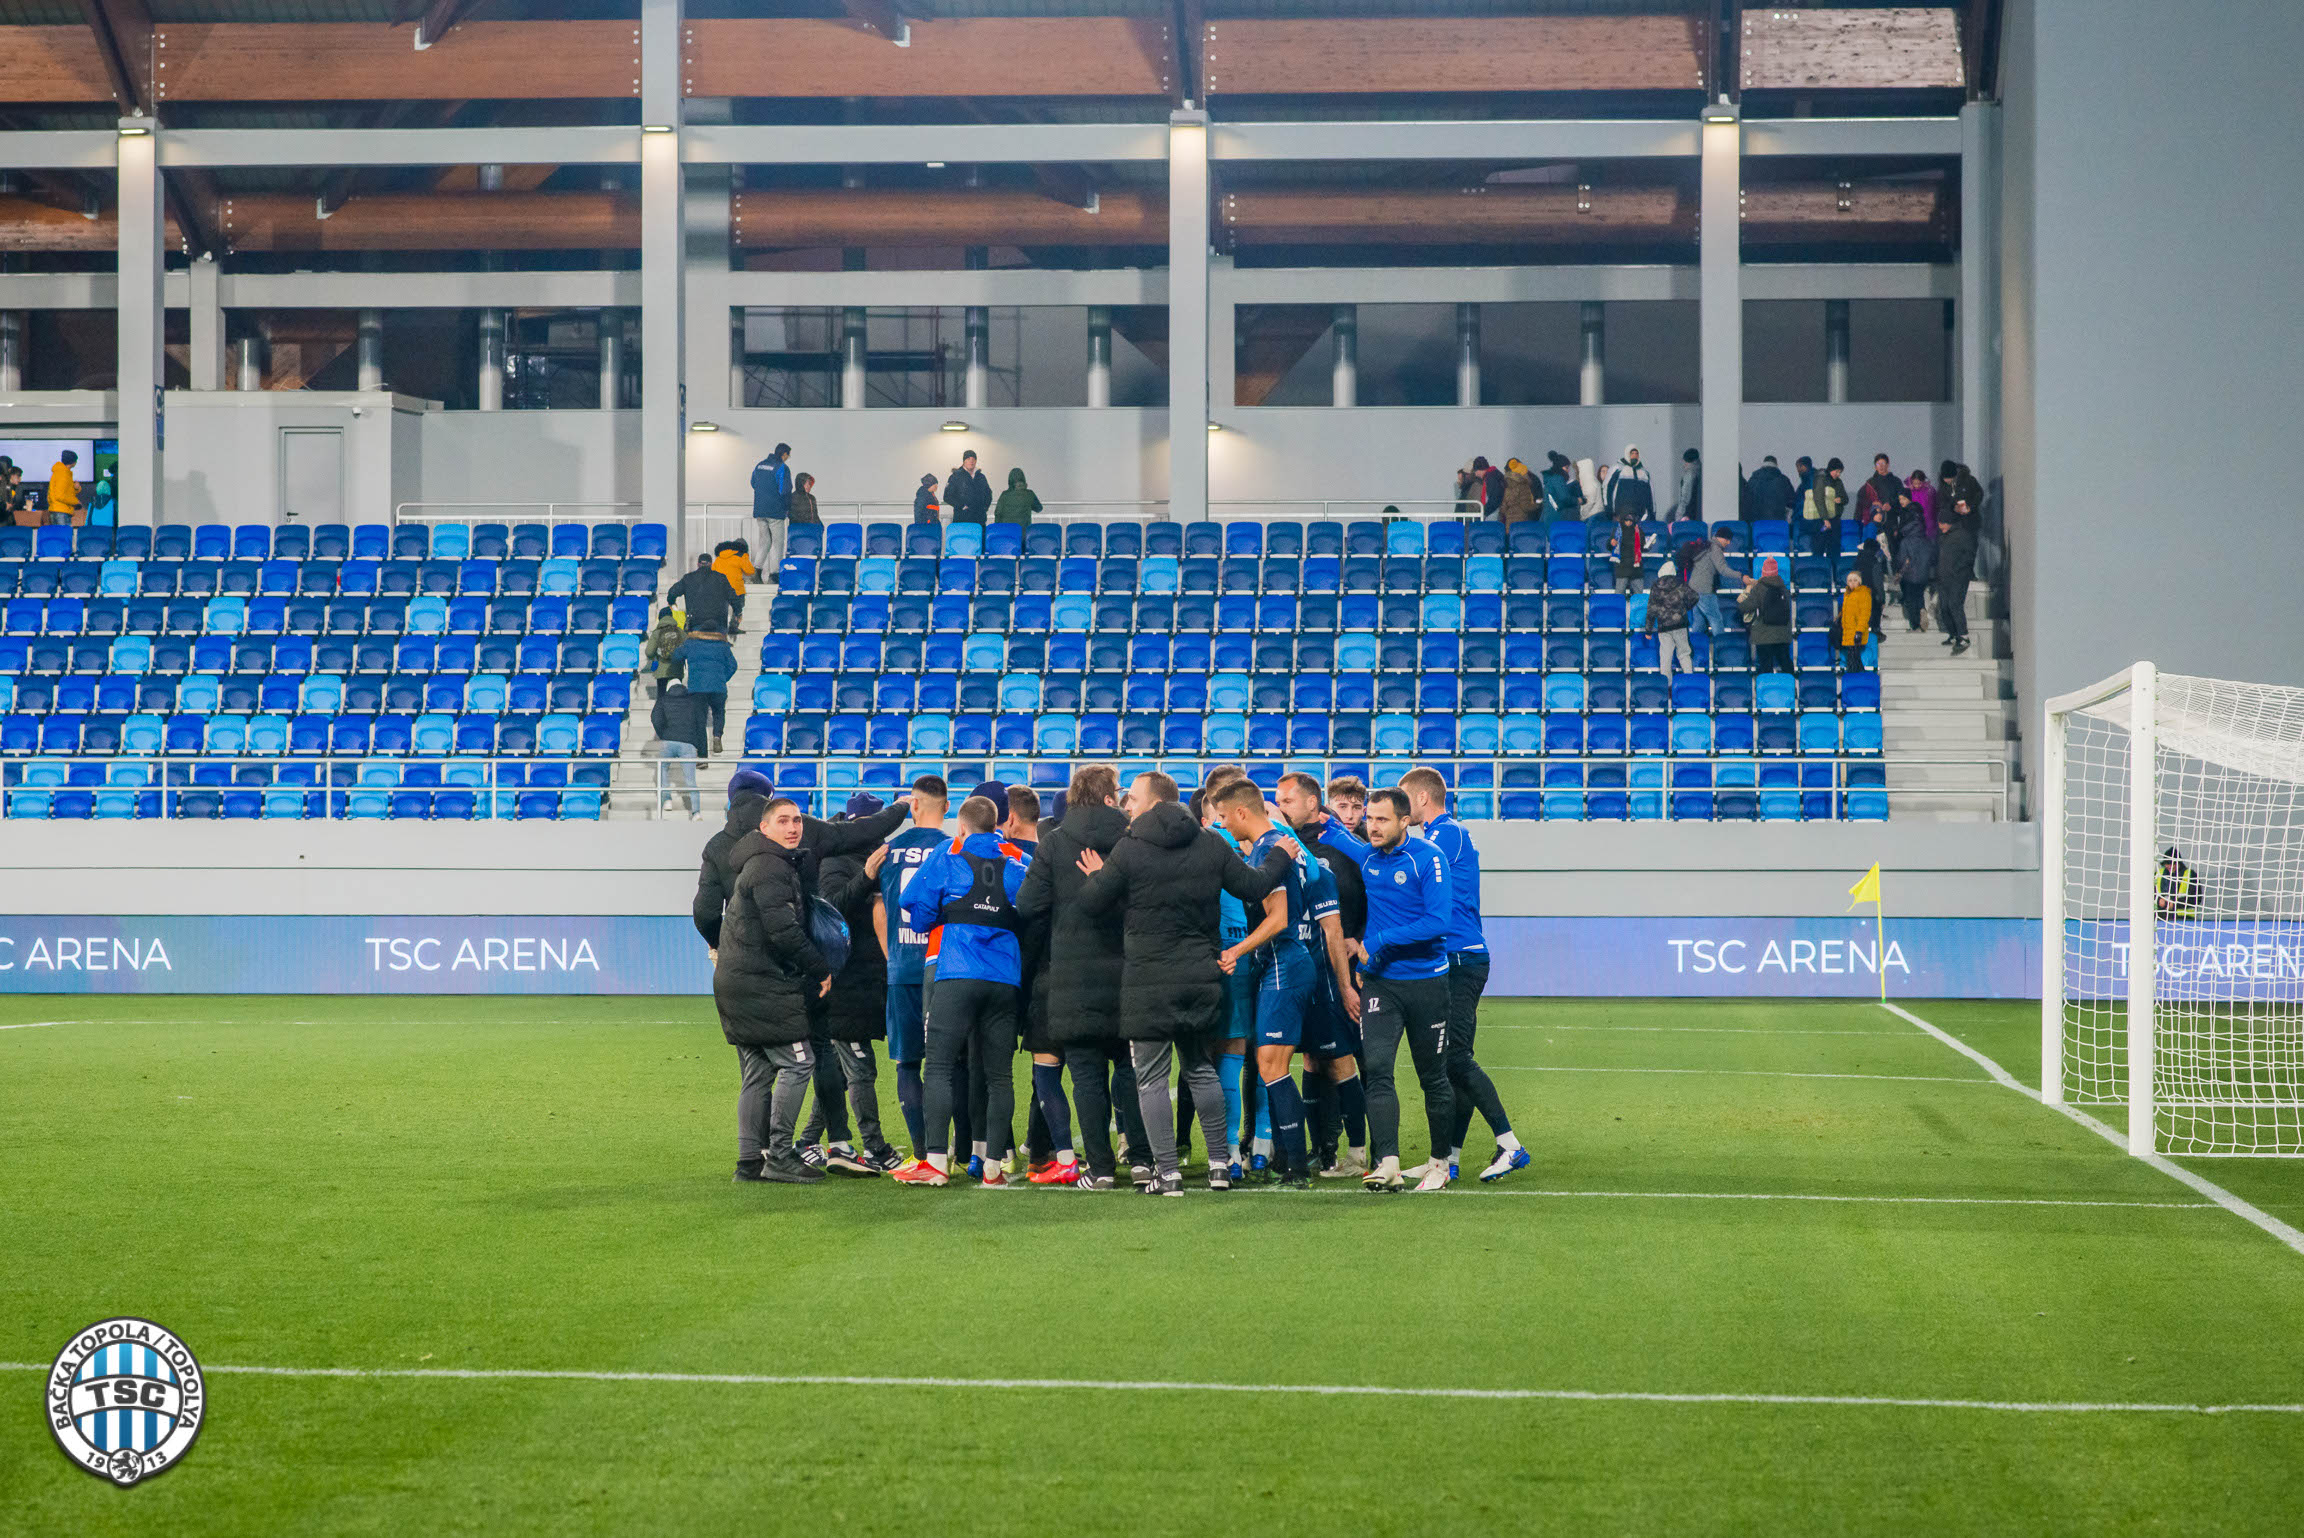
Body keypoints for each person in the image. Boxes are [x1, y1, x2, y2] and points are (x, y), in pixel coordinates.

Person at [1072, 770, 1279, 1196]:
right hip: (1199, 977)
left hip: (1148, 979)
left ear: (1149, 805)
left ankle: (1167, 1173)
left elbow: (1092, 904)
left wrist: (1098, 876)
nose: (1127, 805)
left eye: (1132, 799)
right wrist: (1282, 854)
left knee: (1150, 1077)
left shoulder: (1130, 849)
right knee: (1201, 1069)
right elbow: (1255, 885)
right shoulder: (1211, 843)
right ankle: (1221, 1164)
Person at [1016, 762, 1145, 1192]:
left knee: (1087, 1074)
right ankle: (1143, 1159)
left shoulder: (1054, 844)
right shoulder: (1133, 840)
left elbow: (1028, 904)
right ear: (1110, 797)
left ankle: (1102, 1169)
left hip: (1071, 974)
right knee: (1131, 1069)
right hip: (1129, 974)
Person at [893, 795, 1032, 1187]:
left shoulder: (948, 856)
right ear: (998, 827)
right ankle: (993, 1168)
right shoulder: (1016, 864)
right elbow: (1036, 905)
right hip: (1004, 979)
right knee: (999, 1077)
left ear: (962, 828)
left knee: (938, 1066)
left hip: (956, 972)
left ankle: (936, 1164)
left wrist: (936, 917)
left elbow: (911, 901)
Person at [1320, 789, 1455, 1194]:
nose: (1372, 827)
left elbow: (1438, 921)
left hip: (1427, 982)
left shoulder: (1429, 857)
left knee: (1433, 1077)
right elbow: (1325, 827)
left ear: (1404, 821)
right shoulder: (1367, 855)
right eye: (1370, 819)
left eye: (1381, 820)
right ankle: (1389, 1162)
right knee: (1377, 1069)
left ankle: (1439, 1162)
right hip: (1380, 984)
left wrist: (1379, 941)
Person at [1401, 768, 1529, 1184]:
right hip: (1459, 956)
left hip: (1460, 958)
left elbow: (1414, 872)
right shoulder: (1444, 835)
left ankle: (1510, 1144)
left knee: (1455, 1058)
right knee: (1455, 1061)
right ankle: (1450, 1157)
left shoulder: (1446, 834)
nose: (1402, 811)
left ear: (1422, 799)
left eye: (1405, 801)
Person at [1209, 778, 1325, 1190]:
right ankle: (1289, 1161)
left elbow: (1278, 919)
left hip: (1283, 965)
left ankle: (1296, 1166)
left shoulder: (1268, 849)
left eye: (1224, 816)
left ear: (1242, 812)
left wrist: (1237, 951)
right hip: (1288, 964)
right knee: (1270, 1066)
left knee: (1272, 1067)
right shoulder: (1279, 843)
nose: (1222, 825)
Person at [718, 798, 836, 1185]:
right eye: (783, 821)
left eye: (797, 820)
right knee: (799, 1062)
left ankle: (749, 1162)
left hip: (737, 980)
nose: (792, 827)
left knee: (757, 1072)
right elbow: (783, 931)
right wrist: (820, 967)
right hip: (761, 982)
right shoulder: (770, 866)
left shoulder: (760, 862)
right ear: (764, 828)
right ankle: (781, 1156)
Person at [796, 795, 906, 1177]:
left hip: (864, 982)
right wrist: (867, 877)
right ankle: (875, 1148)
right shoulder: (835, 860)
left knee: (842, 1072)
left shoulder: (862, 858)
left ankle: (807, 1141)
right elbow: (831, 910)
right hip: (842, 983)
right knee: (860, 1070)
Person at [1274, 773, 1370, 1177]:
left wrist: (1362, 947)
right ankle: (1324, 1150)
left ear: (1313, 803)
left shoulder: (1345, 848)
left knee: (1346, 1060)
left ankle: (1362, 1151)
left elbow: (1371, 900)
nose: (1281, 807)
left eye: (1288, 801)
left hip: (1336, 972)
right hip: (1301, 968)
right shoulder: (1286, 846)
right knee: (1312, 1059)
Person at [874, 776, 954, 1162]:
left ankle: (923, 1153)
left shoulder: (889, 850)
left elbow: (879, 909)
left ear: (913, 805)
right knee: (952, 1063)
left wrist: (892, 955)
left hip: (903, 966)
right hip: (944, 969)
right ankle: (962, 1150)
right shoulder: (954, 848)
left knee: (908, 1061)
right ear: (947, 805)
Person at [670, 626, 736, 758]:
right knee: (719, 712)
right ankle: (717, 735)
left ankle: (702, 757)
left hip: (698, 688)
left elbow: (675, 656)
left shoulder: (691, 643)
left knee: (700, 723)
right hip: (718, 686)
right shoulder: (722, 645)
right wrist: (723, 678)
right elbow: (733, 665)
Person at [649, 680, 708, 816]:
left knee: (663, 769)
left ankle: (667, 799)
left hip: (668, 741)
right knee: (690, 780)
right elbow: (701, 726)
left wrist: (663, 733)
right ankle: (696, 813)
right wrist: (703, 752)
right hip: (688, 743)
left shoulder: (663, 700)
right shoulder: (693, 701)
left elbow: (655, 718)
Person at [1937, 495, 1978, 656]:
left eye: (1942, 523)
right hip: (1944, 578)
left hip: (1958, 578)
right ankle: (1954, 634)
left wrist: (1958, 570)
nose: (1940, 526)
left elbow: (1969, 556)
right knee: (1945, 607)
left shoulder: (1963, 535)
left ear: (1949, 522)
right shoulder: (1943, 537)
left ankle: (1963, 636)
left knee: (1955, 605)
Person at [1684, 527, 1745, 636]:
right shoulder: (1715, 549)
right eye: (1728, 540)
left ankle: (1696, 648)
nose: (1729, 543)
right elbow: (1723, 570)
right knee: (1716, 619)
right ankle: (1720, 644)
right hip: (1704, 590)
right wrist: (1741, 576)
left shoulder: (1705, 545)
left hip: (1693, 588)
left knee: (1699, 622)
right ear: (1722, 538)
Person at [1740, 556, 1794, 675]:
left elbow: (1746, 607)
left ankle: (1766, 690)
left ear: (1763, 572)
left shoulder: (1759, 588)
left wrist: (1741, 601)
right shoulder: (1784, 588)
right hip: (1783, 634)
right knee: (1785, 663)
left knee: (1765, 666)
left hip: (1764, 635)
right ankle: (1793, 685)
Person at [1646, 560, 1697, 681]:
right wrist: (1686, 607)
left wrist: (1648, 630)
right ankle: (1689, 681)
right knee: (1684, 654)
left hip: (1664, 626)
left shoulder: (1656, 586)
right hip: (1680, 624)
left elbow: (1651, 609)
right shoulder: (1681, 583)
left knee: (1665, 657)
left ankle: (1667, 686)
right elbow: (1695, 596)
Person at [750, 442, 792, 572]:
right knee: (777, 544)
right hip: (775, 512)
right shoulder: (782, 468)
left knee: (764, 542)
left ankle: (756, 571)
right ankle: (774, 574)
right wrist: (786, 509)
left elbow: (753, 483)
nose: (787, 458)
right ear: (784, 454)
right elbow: (785, 490)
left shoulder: (759, 466)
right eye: (788, 456)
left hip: (760, 511)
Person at [667, 555, 734, 635]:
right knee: (718, 646)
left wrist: (672, 603)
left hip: (696, 623)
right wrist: (737, 612)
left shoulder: (688, 578)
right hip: (718, 623)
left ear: (698, 564)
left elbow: (672, 592)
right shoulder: (721, 578)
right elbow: (734, 597)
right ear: (711, 564)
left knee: (697, 645)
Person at [1894, 507, 1936, 631]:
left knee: (1910, 600)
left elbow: (1901, 559)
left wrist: (1899, 570)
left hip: (1910, 575)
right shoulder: (1926, 540)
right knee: (1919, 595)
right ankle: (1922, 608)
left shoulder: (1906, 541)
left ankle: (1916, 625)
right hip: (1924, 574)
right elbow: (1933, 557)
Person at [709, 541, 756, 635]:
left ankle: (720, 629)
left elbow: (712, 571)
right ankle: (734, 627)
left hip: (720, 589)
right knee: (737, 610)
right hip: (736, 589)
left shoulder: (719, 558)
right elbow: (750, 571)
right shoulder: (741, 556)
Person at [1810, 458, 1850, 557]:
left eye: (1840, 472)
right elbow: (1819, 500)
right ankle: (1819, 570)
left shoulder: (1839, 482)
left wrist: (1841, 500)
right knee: (1819, 548)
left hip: (1835, 520)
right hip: (1821, 520)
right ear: (1831, 469)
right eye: (1836, 471)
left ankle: (1834, 570)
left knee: (1834, 550)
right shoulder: (1821, 479)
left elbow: (1846, 499)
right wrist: (1825, 519)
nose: (1838, 474)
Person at [642, 605, 684, 695]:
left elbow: (649, 652)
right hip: (677, 671)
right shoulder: (680, 632)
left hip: (662, 672)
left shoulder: (657, 633)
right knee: (676, 697)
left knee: (662, 698)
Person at [1835, 570, 1873, 672]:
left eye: (1855, 580)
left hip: (1856, 632)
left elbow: (1864, 615)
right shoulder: (1847, 594)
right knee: (1854, 660)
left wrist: (1859, 631)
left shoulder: (1864, 594)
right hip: (1848, 631)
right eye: (1850, 580)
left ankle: (1856, 679)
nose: (1852, 583)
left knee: (1853, 660)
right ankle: (1859, 678)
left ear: (1859, 582)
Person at [1605, 445, 1652, 521]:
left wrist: (1651, 513)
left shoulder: (1644, 473)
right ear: (1627, 454)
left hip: (1638, 515)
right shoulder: (1617, 469)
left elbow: (1650, 495)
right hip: (1619, 514)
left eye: (1636, 454)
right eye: (1632, 453)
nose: (1634, 456)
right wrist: (1609, 511)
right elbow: (1607, 488)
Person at [944, 450, 991, 524]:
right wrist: (962, 506)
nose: (971, 461)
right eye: (968, 459)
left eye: (973, 459)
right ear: (964, 461)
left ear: (976, 461)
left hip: (979, 520)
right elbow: (947, 496)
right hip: (962, 519)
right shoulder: (955, 477)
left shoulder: (981, 477)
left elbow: (988, 494)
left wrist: (984, 508)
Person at [1856, 454, 1901, 525]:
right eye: (1878, 464)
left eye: (1883, 463)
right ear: (1875, 467)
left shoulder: (1896, 481)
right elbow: (1861, 501)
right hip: (1875, 520)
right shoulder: (1870, 483)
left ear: (1887, 465)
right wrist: (1872, 503)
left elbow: (1902, 501)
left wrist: (1891, 505)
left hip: (1892, 521)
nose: (1881, 466)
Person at [1746, 455, 1794, 521]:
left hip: (1757, 523)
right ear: (1776, 464)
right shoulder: (1784, 480)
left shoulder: (1753, 480)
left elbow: (1746, 501)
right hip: (1778, 522)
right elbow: (1791, 502)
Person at [1609, 510, 1644, 595]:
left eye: (1630, 521)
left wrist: (1650, 544)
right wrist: (1611, 542)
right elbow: (1609, 546)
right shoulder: (1617, 531)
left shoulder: (1639, 531)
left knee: (1639, 594)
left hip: (1636, 567)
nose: (1628, 522)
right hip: (1622, 567)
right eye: (1626, 520)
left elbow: (1643, 547)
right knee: (1619, 594)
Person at [1540, 451, 1582, 520]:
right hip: (1556, 516)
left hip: (1550, 515)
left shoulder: (1550, 479)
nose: (1568, 471)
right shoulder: (1558, 479)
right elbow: (1564, 497)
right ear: (1559, 467)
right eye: (1566, 467)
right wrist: (1577, 500)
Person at [45, 451, 82, 526]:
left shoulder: (60, 472)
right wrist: (76, 502)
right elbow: (60, 496)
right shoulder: (63, 473)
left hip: (58, 510)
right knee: (64, 536)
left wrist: (76, 489)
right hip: (61, 512)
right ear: (73, 462)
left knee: (58, 536)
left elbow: (65, 493)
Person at [1497, 458, 1539, 524]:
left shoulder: (1505, 483)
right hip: (1523, 521)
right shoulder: (1526, 484)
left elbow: (1503, 507)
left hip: (1508, 520)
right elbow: (1526, 506)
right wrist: (1538, 504)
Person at [1672, 448, 1702, 522]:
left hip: (1687, 514)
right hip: (1697, 513)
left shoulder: (1689, 475)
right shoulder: (1700, 473)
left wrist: (1679, 516)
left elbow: (1685, 498)